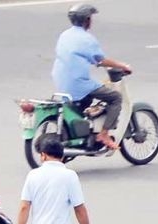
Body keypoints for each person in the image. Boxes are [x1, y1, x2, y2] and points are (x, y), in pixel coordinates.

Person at [51, 3, 132, 150]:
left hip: (61, 81)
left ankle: (84, 130)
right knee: (115, 98)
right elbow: (100, 60)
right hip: (78, 83)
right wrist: (122, 66)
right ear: (87, 20)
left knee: (87, 97)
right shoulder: (87, 39)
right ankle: (104, 134)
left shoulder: (65, 35)